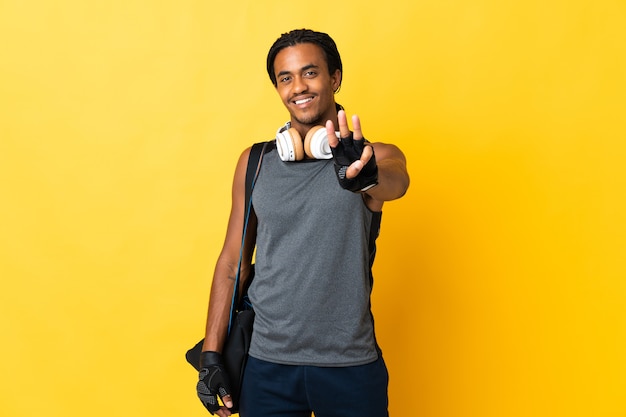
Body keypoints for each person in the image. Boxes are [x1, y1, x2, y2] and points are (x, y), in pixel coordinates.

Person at [196, 28, 410, 417]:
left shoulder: (372, 156)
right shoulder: (255, 163)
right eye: (286, 78)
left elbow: (397, 181)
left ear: (335, 78)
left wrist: (369, 173)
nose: (299, 87)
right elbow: (232, 265)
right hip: (266, 365)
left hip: (350, 364)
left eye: (310, 73)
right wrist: (212, 355)